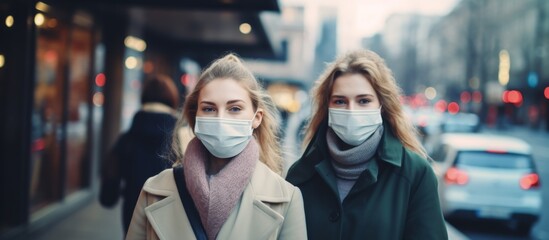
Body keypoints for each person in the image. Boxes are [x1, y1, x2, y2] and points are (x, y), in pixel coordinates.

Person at [126, 53, 307, 240]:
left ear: (257, 118)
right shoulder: (154, 190)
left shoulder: (287, 199)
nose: (221, 118)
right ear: (195, 117)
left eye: (235, 109)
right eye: (209, 109)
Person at [286, 49, 448, 239]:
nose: (352, 111)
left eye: (364, 101)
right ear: (327, 107)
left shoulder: (415, 174)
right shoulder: (301, 174)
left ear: (382, 106)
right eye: (340, 101)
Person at [99, 74, 180, 234]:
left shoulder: (127, 138)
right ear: (172, 100)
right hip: (173, 211)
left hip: (133, 208)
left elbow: (110, 182)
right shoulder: (180, 138)